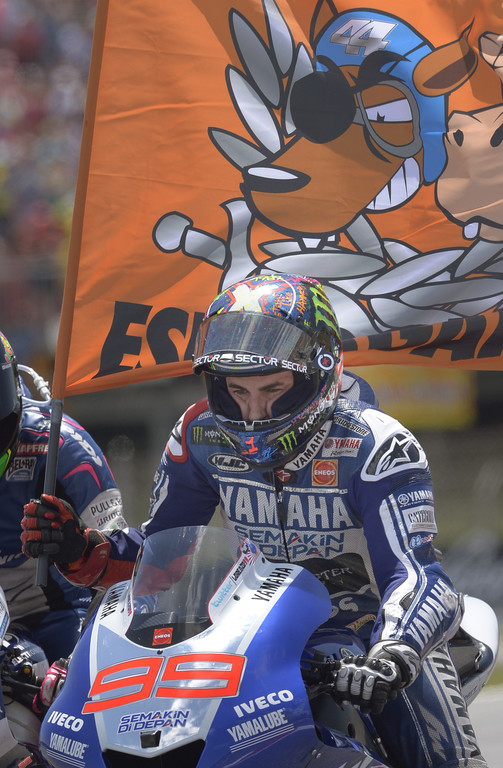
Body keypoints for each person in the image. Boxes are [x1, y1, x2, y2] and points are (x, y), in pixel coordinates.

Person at [21, 275, 487, 768]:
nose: (253, 411)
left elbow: (420, 575)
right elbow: (161, 558)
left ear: (319, 372)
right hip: (248, 633)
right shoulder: (198, 435)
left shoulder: (378, 446)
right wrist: (83, 550)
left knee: (443, 757)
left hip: (372, 633)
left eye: (273, 389)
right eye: (237, 390)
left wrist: (394, 653)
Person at [0, 330, 127, 742]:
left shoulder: (64, 447)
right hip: (5, 633)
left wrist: (80, 545)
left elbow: (124, 563)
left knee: (93, 714)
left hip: (63, 615)